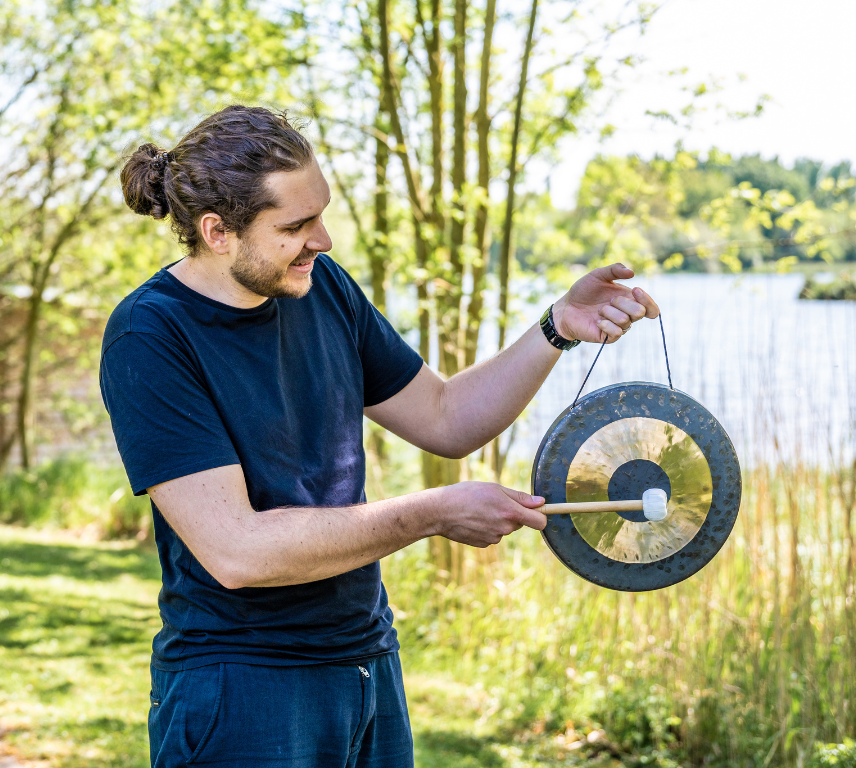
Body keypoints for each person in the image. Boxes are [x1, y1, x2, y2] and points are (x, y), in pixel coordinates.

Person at [100, 105, 659, 768]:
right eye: (297, 226)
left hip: (367, 664)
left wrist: (558, 326)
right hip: (242, 684)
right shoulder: (151, 336)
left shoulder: (321, 287)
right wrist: (430, 513)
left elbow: (447, 417)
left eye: (323, 213)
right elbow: (237, 552)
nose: (325, 239)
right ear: (218, 231)